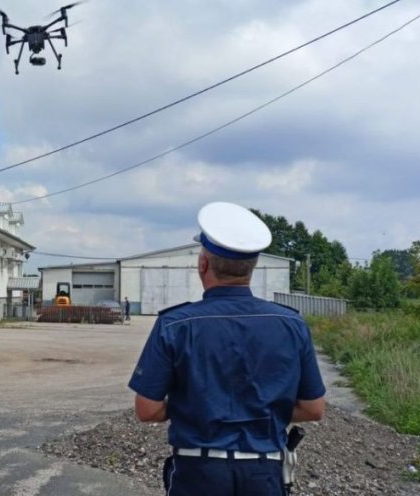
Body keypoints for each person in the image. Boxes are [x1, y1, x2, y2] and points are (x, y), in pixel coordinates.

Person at [128, 202, 326, 496]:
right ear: (252, 267)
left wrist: (196, 407)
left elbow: (147, 409)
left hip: (198, 474)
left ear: (203, 264)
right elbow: (313, 408)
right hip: (265, 474)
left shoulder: (175, 324)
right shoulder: (291, 324)